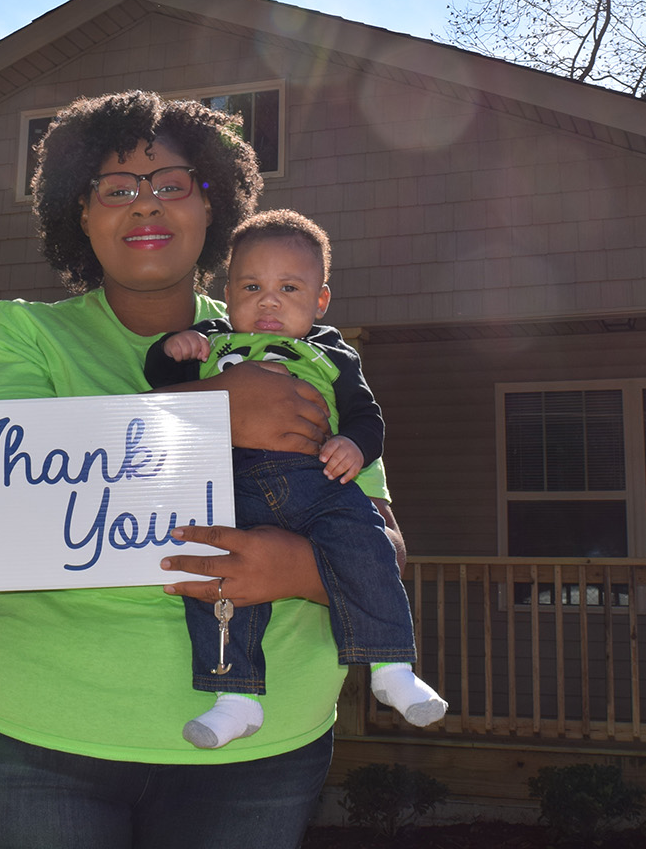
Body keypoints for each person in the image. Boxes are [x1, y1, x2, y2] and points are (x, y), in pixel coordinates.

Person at [0, 90, 405, 849]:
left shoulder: (296, 347)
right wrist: (220, 410)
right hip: (28, 738)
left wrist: (300, 568)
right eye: (116, 189)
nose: (144, 205)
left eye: (171, 184)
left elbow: (387, 544)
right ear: (78, 214)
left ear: (215, 207)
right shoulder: (14, 335)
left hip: (260, 749)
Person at [143, 209, 446, 749]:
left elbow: (365, 415)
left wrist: (353, 444)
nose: (269, 301)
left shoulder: (334, 353)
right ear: (227, 292)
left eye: (289, 288)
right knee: (215, 583)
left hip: (318, 480)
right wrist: (172, 353)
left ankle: (390, 666)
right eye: (252, 286)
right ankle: (234, 698)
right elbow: (160, 394)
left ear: (320, 301)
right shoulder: (211, 339)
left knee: (365, 544)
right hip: (230, 486)